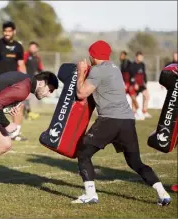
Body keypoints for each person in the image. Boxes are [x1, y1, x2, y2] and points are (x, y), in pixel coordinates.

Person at [72, 40, 171, 206]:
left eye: (90, 54)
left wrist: (81, 72)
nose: (89, 57)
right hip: (127, 121)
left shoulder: (97, 70)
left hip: (110, 120)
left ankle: (90, 195)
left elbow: (81, 93)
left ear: (94, 55)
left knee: (83, 153)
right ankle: (163, 193)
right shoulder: (114, 68)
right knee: (135, 162)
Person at [0, 21, 27, 141]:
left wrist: (26, 82)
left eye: (9, 31)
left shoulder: (18, 46)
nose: (7, 33)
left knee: (19, 106)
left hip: (13, 83)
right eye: (5, 31)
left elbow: (21, 65)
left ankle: (15, 133)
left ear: (14, 32)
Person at [23, 41, 44, 120]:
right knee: (25, 97)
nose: (31, 49)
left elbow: (40, 69)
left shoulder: (38, 58)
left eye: (33, 47)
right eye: (30, 47)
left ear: (37, 48)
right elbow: (21, 65)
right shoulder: (26, 55)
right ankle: (28, 113)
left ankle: (28, 113)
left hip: (33, 80)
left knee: (29, 97)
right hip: (25, 79)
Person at [129, 51, 152, 120]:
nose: (141, 58)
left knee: (147, 96)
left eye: (142, 57)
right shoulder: (132, 65)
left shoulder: (143, 64)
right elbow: (131, 76)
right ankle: (134, 113)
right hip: (135, 84)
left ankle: (144, 111)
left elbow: (144, 74)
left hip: (141, 84)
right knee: (134, 98)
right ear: (137, 57)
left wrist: (145, 83)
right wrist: (134, 84)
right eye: (140, 57)